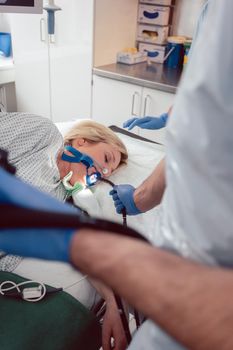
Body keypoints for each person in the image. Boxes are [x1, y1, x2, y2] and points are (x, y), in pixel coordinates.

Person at [0, 113, 128, 350]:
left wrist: (112, 304)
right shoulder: (44, 133)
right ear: (82, 141)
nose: (105, 173)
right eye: (107, 158)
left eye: (110, 171)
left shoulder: (63, 198)